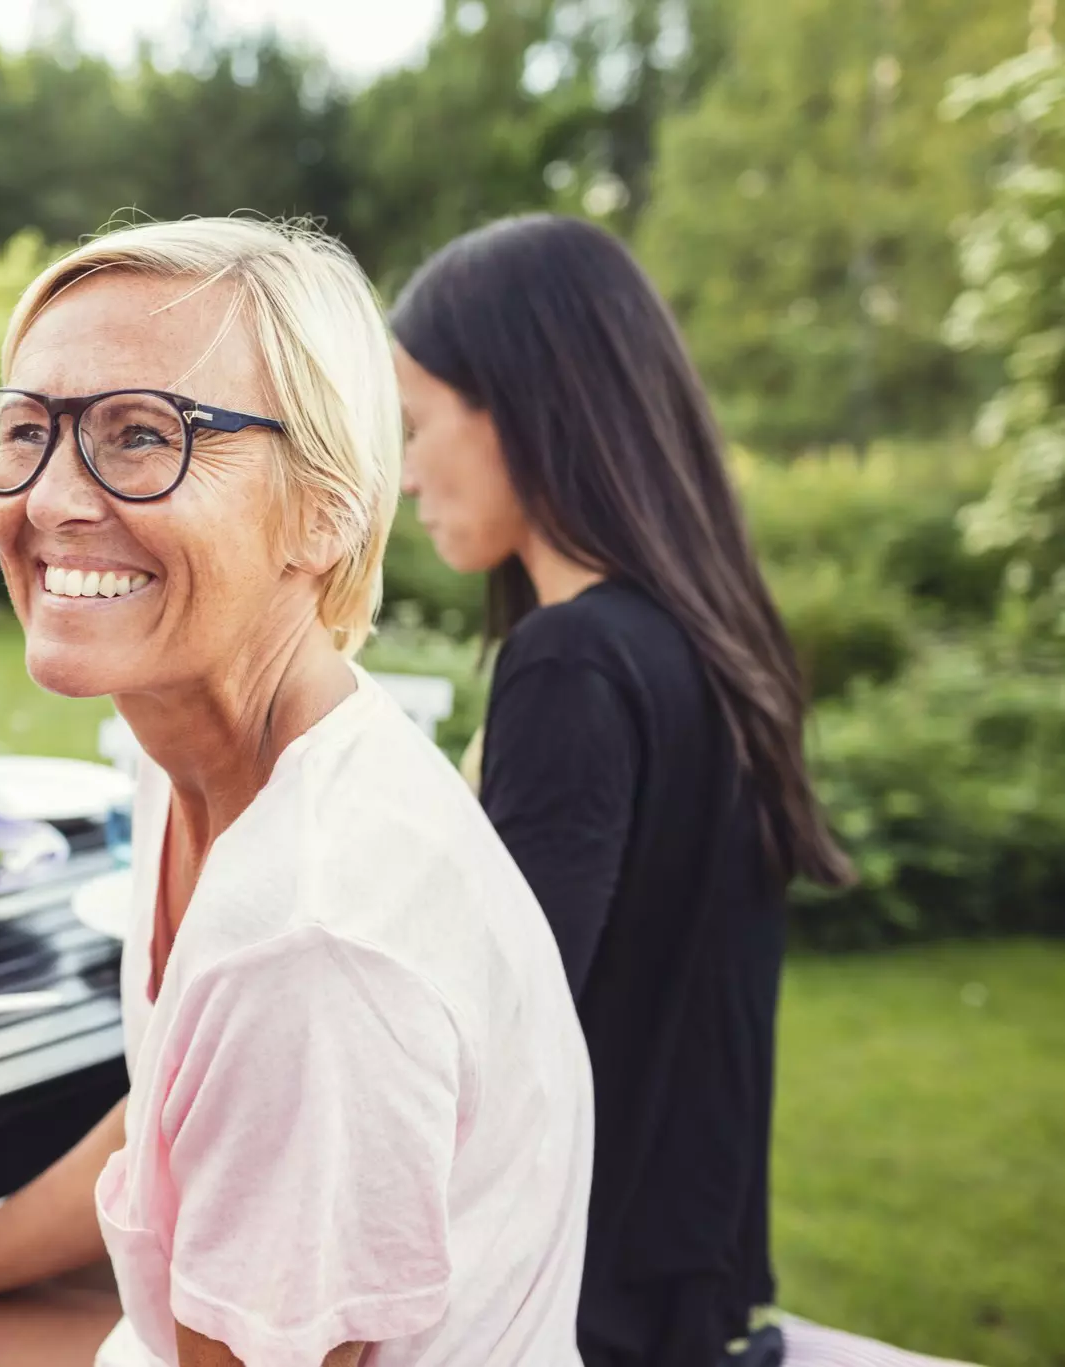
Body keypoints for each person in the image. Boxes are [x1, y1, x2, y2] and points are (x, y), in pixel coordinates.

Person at [0, 216, 594, 1367]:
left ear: (325, 509)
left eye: (142, 434)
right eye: (25, 429)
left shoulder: (308, 935)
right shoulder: (196, 755)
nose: (51, 499)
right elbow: (172, 1127)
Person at [389, 214, 854, 1367]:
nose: (401, 472)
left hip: (563, 1305)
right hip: (684, 1282)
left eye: (414, 422)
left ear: (518, 404)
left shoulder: (574, 661)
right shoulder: (706, 640)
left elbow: (478, 1047)